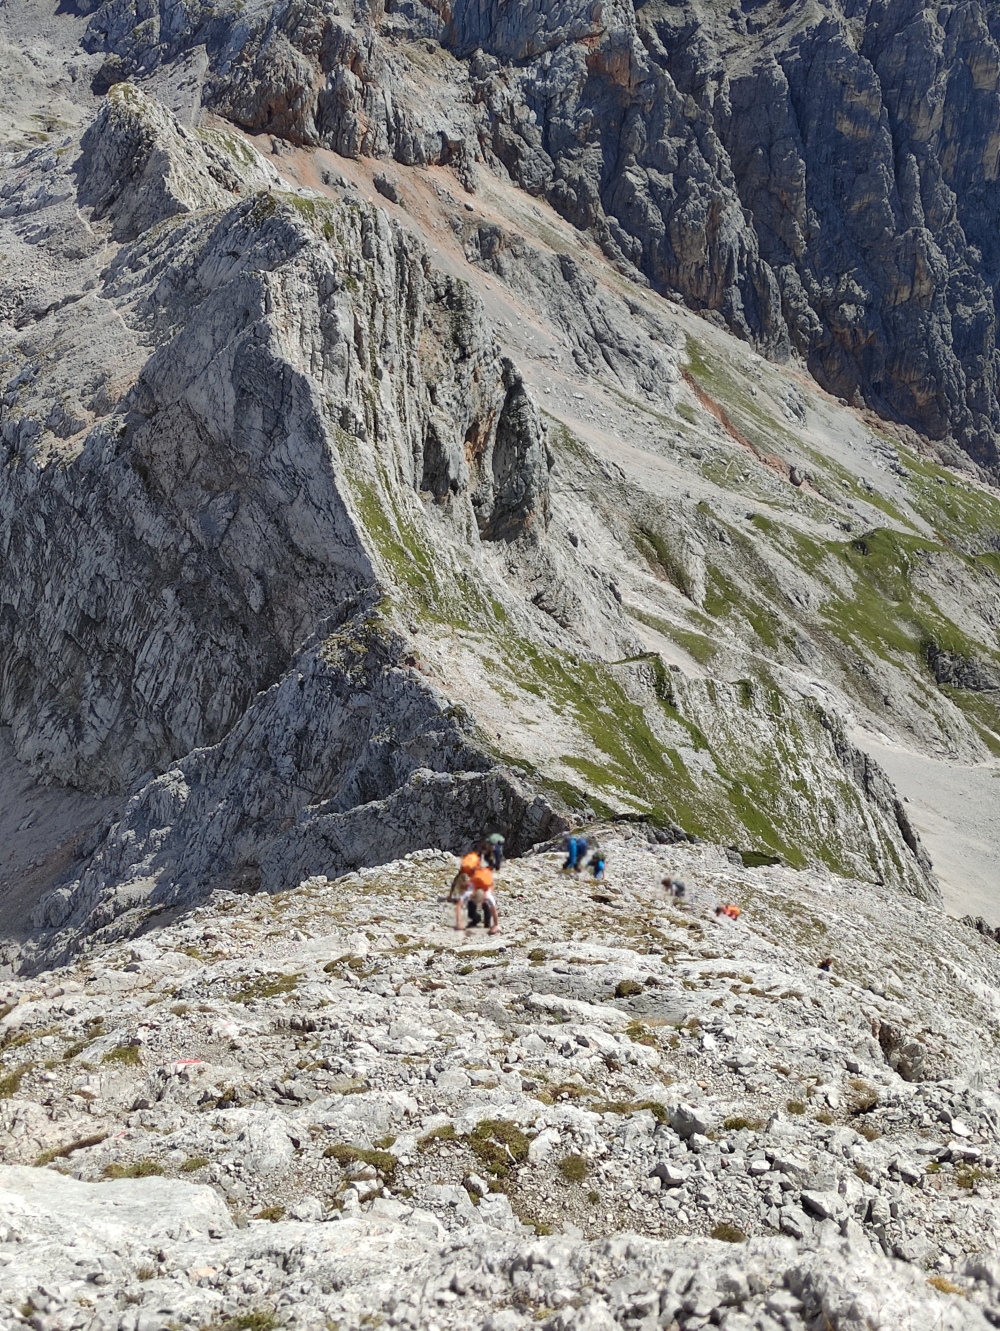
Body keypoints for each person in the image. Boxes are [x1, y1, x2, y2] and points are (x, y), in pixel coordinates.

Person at [456, 865, 500, 935]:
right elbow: (459, 906)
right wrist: (459, 923)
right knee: (471, 908)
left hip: (486, 887)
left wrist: (496, 925)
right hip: (474, 889)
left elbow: (494, 910)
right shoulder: (469, 893)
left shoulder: (488, 896)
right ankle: (476, 919)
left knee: (487, 908)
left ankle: (487, 923)